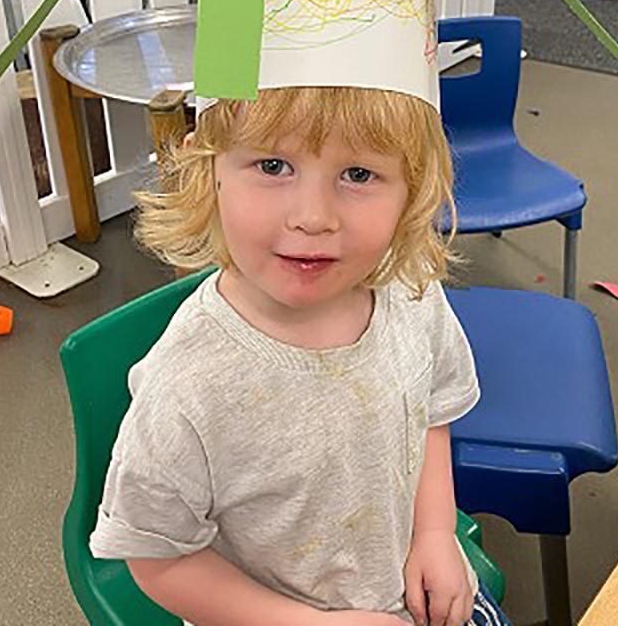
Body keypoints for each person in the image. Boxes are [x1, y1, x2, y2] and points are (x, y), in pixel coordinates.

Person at [90, 84, 512, 626]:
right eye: (273, 165)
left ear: (413, 186)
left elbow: (430, 412)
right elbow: (157, 558)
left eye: (358, 175)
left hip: (413, 590)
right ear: (208, 169)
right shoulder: (187, 387)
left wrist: (434, 532)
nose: (313, 217)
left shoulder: (410, 293)